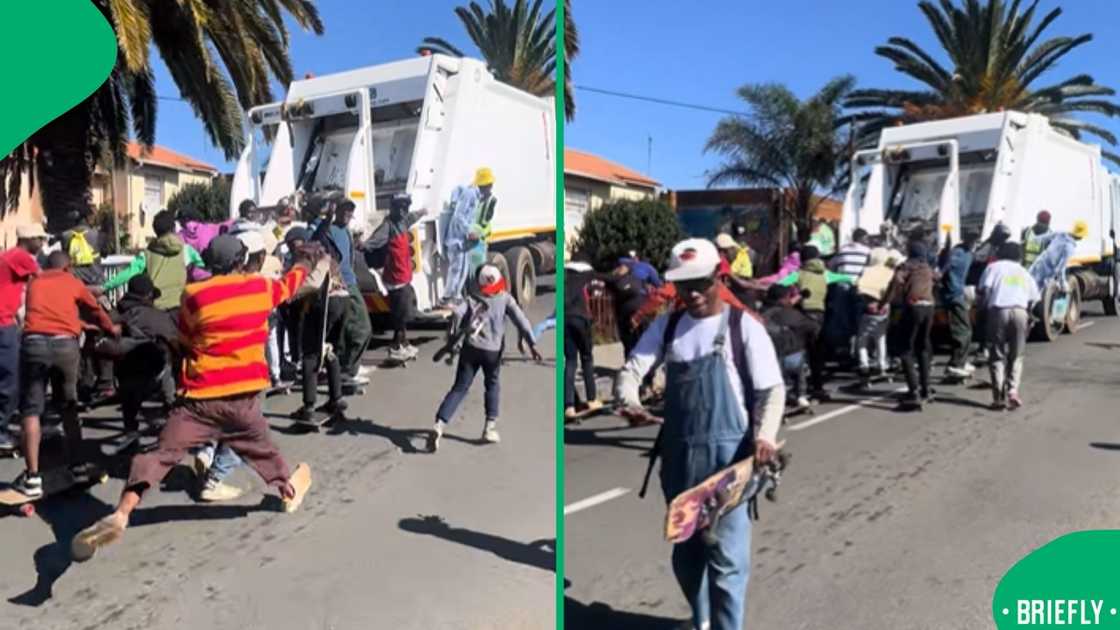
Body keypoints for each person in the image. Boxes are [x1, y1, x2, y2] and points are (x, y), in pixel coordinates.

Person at [69, 235, 316, 559]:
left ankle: (122, 512)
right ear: (241, 263)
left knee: (158, 456)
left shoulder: (194, 295)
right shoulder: (259, 288)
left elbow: (185, 338)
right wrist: (305, 262)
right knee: (264, 451)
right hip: (241, 399)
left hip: (197, 400)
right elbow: (290, 284)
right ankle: (287, 489)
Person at [615, 238, 784, 630]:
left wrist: (765, 436)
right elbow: (632, 370)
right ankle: (702, 619)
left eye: (699, 284)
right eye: (683, 285)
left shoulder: (743, 328)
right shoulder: (669, 325)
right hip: (679, 460)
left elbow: (772, 391)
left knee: (727, 562)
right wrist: (629, 401)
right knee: (686, 559)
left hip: (730, 462)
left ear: (718, 277)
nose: (691, 294)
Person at [9, 251, 121, 497]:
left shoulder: (35, 282)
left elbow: (42, 315)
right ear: (68, 267)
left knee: (31, 410)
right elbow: (95, 309)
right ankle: (78, 465)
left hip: (34, 344)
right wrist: (109, 328)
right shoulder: (73, 282)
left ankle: (33, 477)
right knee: (69, 405)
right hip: (65, 347)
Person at [430, 265, 540, 452]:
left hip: (470, 349)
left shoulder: (472, 299)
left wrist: (453, 340)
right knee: (492, 385)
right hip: (493, 352)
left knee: (459, 388)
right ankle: (489, 427)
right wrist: (532, 343)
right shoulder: (506, 299)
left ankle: (440, 423)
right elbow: (521, 320)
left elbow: (457, 313)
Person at [311, 199, 374, 387]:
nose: (347, 217)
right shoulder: (325, 229)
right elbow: (314, 238)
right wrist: (327, 219)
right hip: (338, 285)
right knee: (360, 328)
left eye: (350, 214)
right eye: (344, 212)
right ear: (336, 211)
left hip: (350, 282)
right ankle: (347, 370)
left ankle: (347, 368)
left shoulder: (345, 230)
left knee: (353, 330)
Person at [102, 210, 205, 313]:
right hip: (179, 308)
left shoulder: (147, 253)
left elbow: (129, 272)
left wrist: (104, 287)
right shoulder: (187, 251)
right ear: (174, 228)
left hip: (155, 308)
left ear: (155, 231)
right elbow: (203, 273)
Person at [0, 225, 47, 450]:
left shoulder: (9, 256)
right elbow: (46, 280)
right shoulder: (21, 257)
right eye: (41, 239)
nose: (43, 244)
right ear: (29, 239)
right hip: (3, 323)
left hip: (7, 320)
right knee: (11, 379)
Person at [978, 242, 1039, 410]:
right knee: (1016, 355)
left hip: (998, 311)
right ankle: (1013, 391)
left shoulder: (993, 267)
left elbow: (985, 291)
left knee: (997, 354)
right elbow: (1034, 298)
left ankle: (999, 398)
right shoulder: (1024, 272)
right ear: (1019, 256)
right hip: (1020, 312)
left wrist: (982, 311)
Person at [365, 193, 427, 361]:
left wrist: (423, 211)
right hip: (395, 279)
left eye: (405, 207)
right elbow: (374, 242)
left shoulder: (403, 222)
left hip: (404, 276)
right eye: (400, 207)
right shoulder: (388, 226)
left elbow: (412, 217)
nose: (403, 211)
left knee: (405, 313)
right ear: (393, 208)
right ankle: (396, 346)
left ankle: (404, 343)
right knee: (399, 315)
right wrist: (361, 246)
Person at [886, 240, 936, 407]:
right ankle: (926, 389)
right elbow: (939, 277)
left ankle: (913, 391)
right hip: (929, 307)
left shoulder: (906, 266)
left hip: (913, 307)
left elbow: (896, 281)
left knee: (905, 349)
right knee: (922, 348)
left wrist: (885, 302)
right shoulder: (927, 268)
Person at [442, 168, 495, 303]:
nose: (492, 188)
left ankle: (456, 296)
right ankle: (448, 297)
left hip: (462, 241)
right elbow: (459, 216)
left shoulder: (477, 197)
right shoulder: (470, 194)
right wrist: (469, 231)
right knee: (456, 269)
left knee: (463, 269)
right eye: (490, 184)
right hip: (456, 240)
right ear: (486, 184)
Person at [761, 284, 817, 408]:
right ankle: (800, 394)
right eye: (789, 297)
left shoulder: (761, 311)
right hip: (788, 356)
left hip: (768, 358)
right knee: (801, 356)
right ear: (782, 299)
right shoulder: (788, 313)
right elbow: (812, 326)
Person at [563, 256, 601, 419]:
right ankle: (591, 399)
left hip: (565, 321)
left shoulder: (565, 280)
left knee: (570, 362)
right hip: (580, 320)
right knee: (586, 358)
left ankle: (569, 406)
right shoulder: (585, 277)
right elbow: (596, 291)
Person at [854, 247, 897, 385]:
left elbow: (858, 288)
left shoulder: (867, 271)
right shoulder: (889, 272)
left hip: (868, 310)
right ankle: (881, 365)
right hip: (884, 310)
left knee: (862, 339)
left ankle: (864, 365)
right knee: (881, 338)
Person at [941, 229, 980, 378]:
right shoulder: (958, 252)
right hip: (953, 295)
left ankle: (961, 361)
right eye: (972, 240)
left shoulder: (969, 254)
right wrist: (940, 275)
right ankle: (954, 364)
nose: (974, 244)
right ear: (967, 240)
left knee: (967, 329)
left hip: (959, 293)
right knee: (962, 330)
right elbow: (946, 265)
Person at [1028, 219, 1087, 291]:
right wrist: (1063, 284)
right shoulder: (1069, 248)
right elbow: (1060, 268)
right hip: (1046, 272)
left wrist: (1031, 239)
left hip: (1039, 262)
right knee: (1035, 294)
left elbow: (1042, 238)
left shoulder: (1060, 234)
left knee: (1026, 285)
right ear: (1081, 236)